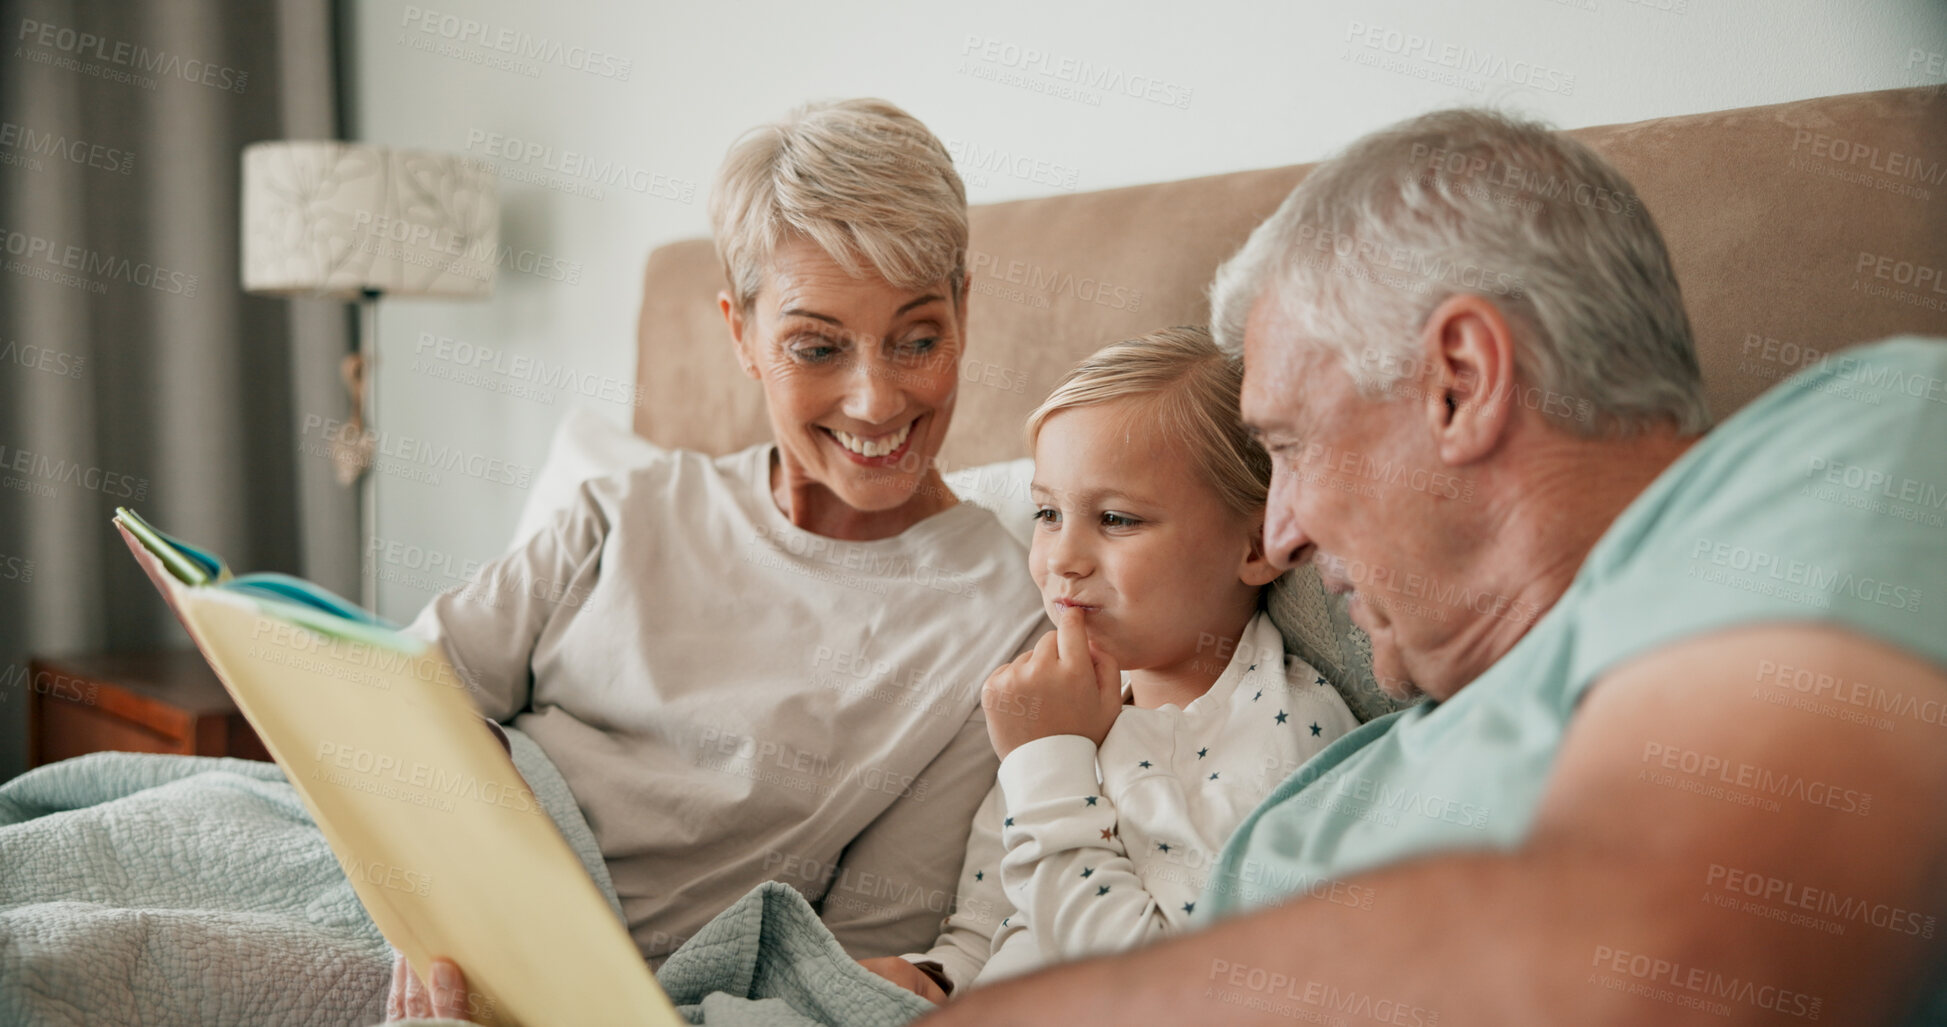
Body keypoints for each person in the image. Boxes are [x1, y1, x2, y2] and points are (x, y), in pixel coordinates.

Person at [923, 110, 1947, 1025]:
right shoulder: (1350, 778)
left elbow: (1667, 962)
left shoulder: (1864, 442)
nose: (1280, 535)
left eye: (1288, 447)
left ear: (1459, 382)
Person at [383, 98, 1046, 1019]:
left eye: (917, 338)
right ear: (739, 333)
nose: (874, 399)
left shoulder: (1003, 624)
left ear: (964, 310)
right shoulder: (628, 508)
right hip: (412, 885)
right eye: (816, 346)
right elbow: (392, 699)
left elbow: (845, 972)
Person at [859, 327, 1359, 1001]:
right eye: (1046, 511)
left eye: (1117, 519)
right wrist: (936, 976)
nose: (1061, 556)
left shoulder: (1280, 732)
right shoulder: (1060, 699)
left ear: (1255, 543)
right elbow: (995, 914)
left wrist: (1047, 764)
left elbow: (1157, 986)